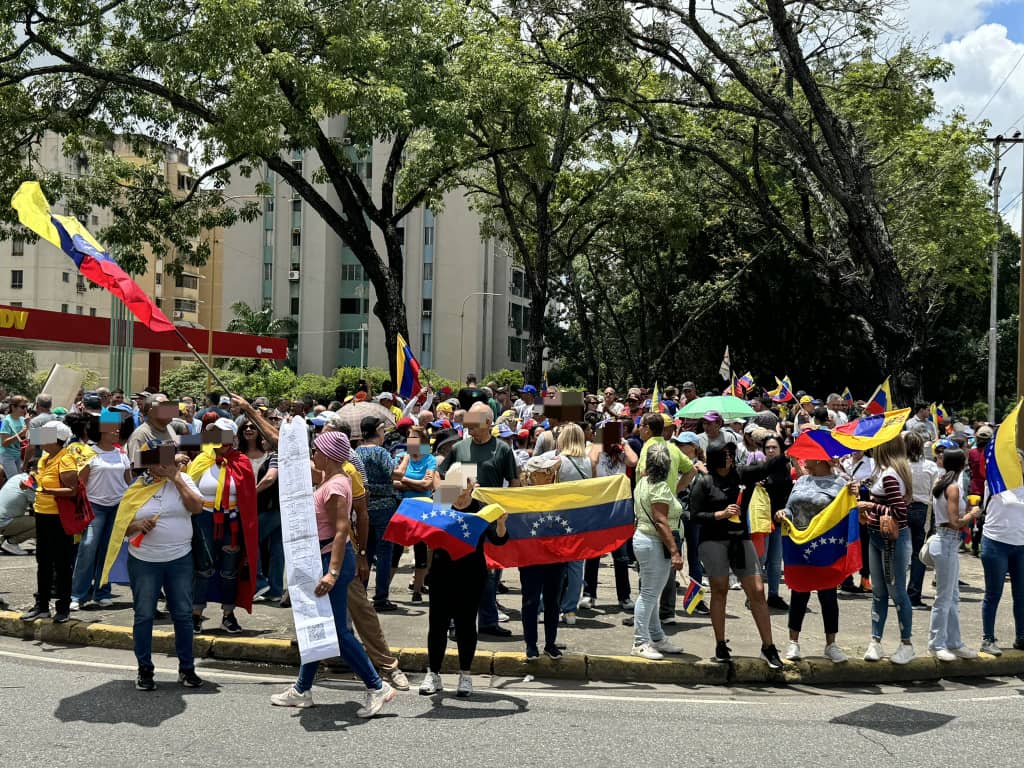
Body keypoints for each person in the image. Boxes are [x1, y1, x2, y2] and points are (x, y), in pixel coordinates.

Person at [270, 431, 396, 716]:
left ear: (327, 454)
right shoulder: (329, 479)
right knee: (315, 628)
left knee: (337, 633)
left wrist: (333, 573)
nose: (313, 455)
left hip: (332, 562)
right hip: (323, 560)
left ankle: (378, 687)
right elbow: (294, 460)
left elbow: (341, 531)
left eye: (316, 450)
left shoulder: (336, 485)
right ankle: (302, 689)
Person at [100, 445, 205, 690]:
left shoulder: (184, 478)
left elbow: (196, 507)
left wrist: (176, 478)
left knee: (182, 614)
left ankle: (186, 669)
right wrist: (136, 525)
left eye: (167, 461)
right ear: (148, 464)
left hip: (180, 558)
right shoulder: (137, 487)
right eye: (158, 462)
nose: (163, 466)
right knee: (144, 614)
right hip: (145, 561)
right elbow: (120, 528)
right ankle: (145, 669)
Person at [688, 443, 785, 668]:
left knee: (758, 592)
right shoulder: (704, 482)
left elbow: (768, 467)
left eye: (731, 454)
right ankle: (720, 643)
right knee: (720, 589)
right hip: (713, 540)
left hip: (741, 538)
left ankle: (768, 646)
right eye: (724, 455)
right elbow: (694, 515)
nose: (729, 459)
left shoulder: (741, 474)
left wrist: (787, 446)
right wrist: (719, 514)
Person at [438, 402, 520, 639]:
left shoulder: (503, 450)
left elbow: (513, 484)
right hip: (461, 520)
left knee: (489, 573)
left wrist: (510, 512)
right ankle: (455, 622)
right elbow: (443, 477)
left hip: (489, 521)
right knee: (459, 574)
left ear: (488, 423)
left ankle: (487, 621)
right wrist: (441, 509)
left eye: (474, 424)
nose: (469, 428)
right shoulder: (459, 449)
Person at [187, 418, 259, 635]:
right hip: (204, 520)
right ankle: (196, 613)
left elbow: (248, 495)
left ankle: (228, 614)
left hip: (233, 522)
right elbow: (188, 489)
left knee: (229, 570)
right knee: (203, 567)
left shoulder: (242, 462)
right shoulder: (200, 460)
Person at [777, 459, 849, 663]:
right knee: (799, 592)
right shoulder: (801, 481)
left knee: (828, 595)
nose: (804, 460)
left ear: (821, 460)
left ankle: (831, 644)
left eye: (809, 457)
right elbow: (790, 507)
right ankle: (793, 642)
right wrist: (783, 513)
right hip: (799, 543)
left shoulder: (840, 484)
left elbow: (845, 511)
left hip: (826, 546)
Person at [860, 436, 916, 665]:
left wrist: (872, 505)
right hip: (878, 537)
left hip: (890, 540)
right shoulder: (888, 471)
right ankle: (876, 640)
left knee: (896, 592)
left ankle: (906, 643)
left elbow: (900, 511)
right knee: (879, 592)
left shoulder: (890, 475)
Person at [70, 413, 133, 610]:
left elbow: (128, 481)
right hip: (94, 507)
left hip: (117, 507)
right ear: (101, 430)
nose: (117, 431)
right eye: (112, 427)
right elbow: (81, 483)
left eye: (117, 428)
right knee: (88, 548)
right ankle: (77, 594)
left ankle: (102, 592)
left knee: (108, 551)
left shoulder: (122, 453)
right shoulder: (89, 453)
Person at [20, 421, 79, 622]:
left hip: (59, 518)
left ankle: (63, 608)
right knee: (43, 562)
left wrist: (50, 491)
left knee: (62, 564)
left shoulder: (66, 459)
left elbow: (73, 491)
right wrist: (29, 481)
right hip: (42, 514)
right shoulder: (45, 458)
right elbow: (39, 480)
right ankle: (42, 605)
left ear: (56, 439)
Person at [631, 442, 685, 659]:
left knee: (651, 592)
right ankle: (640, 641)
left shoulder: (643, 481)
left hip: (645, 539)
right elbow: (661, 521)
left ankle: (656, 636)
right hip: (655, 542)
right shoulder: (661, 488)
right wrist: (675, 552)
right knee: (649, 594)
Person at [927, 448, 981, 661]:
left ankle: (954, 642)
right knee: (944, 598)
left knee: (952, 597)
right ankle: (937, 643)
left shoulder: (941, 482)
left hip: (944, 540)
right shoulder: (952, 487)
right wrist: (972, 514)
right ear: (962, 465)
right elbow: (954, 522)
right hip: (947, 540)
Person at [582, 427, 638, 611]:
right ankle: (589, 594)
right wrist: (600, 440)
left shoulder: (621, 453)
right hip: (598, 507)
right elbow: (591, 462)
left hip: (618, 508)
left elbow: (633, 461)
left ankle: (624, 596)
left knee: (621, 556)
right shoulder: (593, 448)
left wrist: (624, 442)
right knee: (594, 554)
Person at [519, 453, 568, 660]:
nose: (549, 475)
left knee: (552, 601)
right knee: (530, 601)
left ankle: (550, 643)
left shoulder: (559, 494)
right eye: (544, 472)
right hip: (530, 558)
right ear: (532, 475)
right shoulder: (520, 498)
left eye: (550, 471)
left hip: (556, 557)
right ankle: (531, 645)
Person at [978, 453, 1024, 656]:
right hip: (996, 542)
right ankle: (988, 638)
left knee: (1021, 595)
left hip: (1021, 545)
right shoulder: (996, 480)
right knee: (993, 593)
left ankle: (1021, 636)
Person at [356, 416, 402, 610]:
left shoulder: (357, 451)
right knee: (385, 553)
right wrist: (405, 459)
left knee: (366, 551)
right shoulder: (380, 452)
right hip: (384, 506)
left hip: (364, 506)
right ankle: (381, 598)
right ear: (378, 431)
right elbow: (395, 474)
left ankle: (361, 593)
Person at [393, 425, 437, 602]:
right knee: (396, 549)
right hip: (403, 508)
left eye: (414, 439)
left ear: (423, 442)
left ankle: (417, 591)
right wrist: (415, 483)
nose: (410, 441)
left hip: (422, 508)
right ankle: (383, 592)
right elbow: (393, 483)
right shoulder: (402, 457)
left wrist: (403, 480)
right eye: (409, 438)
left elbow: (427, 486)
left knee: (420, 549)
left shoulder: (430, 459)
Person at [555, 423, 593, 626]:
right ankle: (570, 609)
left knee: (555, 563)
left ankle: (548, 603)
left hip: (560, 518)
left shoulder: (558, 461)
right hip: (581, 518)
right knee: (577, 566)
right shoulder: (587, 461)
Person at [244, 423, 283, 603]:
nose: (262, 440)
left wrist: (252, 493)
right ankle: (275, 589)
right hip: (280, 508)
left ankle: (259, 582)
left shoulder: (276, 456)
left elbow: (269, 478)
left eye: (265, 438)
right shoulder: (283, 456)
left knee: (251, 539)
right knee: (277, 549)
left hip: (270, 508)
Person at [905, 432, 940, 610]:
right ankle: (913, 594)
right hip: (922, 509)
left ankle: (895, 592)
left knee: (897, 551)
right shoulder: (931, 466)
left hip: (902, 507)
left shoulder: (900, 465)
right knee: (918, 554)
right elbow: (935, 492)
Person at [760, 434, 793, 610]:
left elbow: (790, 493)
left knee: (774, 561)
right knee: (760, 559)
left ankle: (773, 595)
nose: (771, 450)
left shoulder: (786, 468)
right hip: (762, 521)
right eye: (768, 448)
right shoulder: (759, 468)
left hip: (780, 520)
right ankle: (755, 595)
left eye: (774, 448)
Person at [839, 449, 874, 594]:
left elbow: (876, 480)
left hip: (863, 507)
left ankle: (865, 578)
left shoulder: (872, 463)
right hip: (845, 506)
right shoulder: (843, 463)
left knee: (864, 542)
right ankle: (846, 579)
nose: (855, 451)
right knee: (846, 541)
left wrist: (862, 484)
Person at [0, 462, 37, 555]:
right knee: (43, 523)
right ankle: (11, 543)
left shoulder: (17, 477)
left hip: (4, 519)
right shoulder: (29, 483)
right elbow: (40, 506)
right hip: (4, 522)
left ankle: (4, 540)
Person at [968, 426, 993, 556]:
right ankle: (981, 543)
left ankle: (973, 545)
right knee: (986, 517)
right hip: (988, 489)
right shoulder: (992, 453)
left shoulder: (972, 453)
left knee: (974, 517)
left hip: (974, 489)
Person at [0, 396, 28, 482]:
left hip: (17, 455)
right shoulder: (7, 421)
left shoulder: (23, 419)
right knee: (14, 481)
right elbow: (4, 443)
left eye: (26, 407)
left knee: (19, 480)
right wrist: (20, 434)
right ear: (13, 407)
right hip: (7, 456)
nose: (25, 410)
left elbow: (29, 438)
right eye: (22, 407)